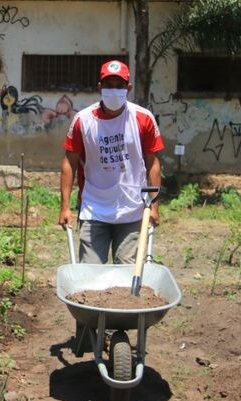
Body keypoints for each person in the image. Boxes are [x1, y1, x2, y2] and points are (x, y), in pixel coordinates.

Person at [59, 59, 164, 263]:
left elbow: (153, 163)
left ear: (128, 88)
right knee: (90, 273)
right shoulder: (84, 120)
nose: (113, 90)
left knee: (127, 271)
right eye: (108, 85)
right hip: (94, 208)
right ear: (100, 87)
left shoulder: (143, 118)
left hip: (132, 209)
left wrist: (154, 206)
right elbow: (69, 163)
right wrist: (65, 206)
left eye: (119, 86)